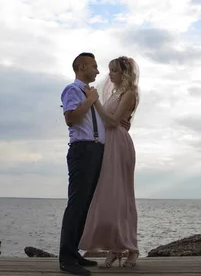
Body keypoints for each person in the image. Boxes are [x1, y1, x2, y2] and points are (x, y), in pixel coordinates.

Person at [58, 52, 131, 276]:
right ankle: (66, 259)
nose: (98, 71)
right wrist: (90, 101)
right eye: (94, 66)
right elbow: (70, 118)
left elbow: (99, 121)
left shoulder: (89, 93)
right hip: (83, 150)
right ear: (81, 67)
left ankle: (74, 253)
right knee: (77, 204)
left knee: (86, 205)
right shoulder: (73, 90)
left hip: (97, 150)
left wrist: (119, 123)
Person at [78, 56, 140, 268]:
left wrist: (94, 101)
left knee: (122, 195)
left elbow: (113, 121)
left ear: (124, 73)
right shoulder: (114, 93)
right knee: (108, 196)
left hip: (119, 143)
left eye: (113, 71)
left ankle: (132, 249)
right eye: (109, 70)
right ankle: (115, 247)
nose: (109, 74)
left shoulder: (129, 94)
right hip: (108, 143)